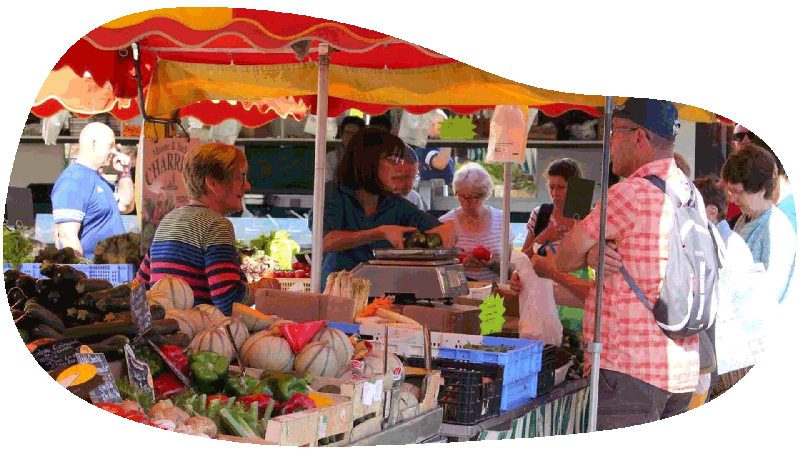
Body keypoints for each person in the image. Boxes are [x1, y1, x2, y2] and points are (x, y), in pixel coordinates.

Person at [515, 98, 699, 431]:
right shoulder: (690, 192)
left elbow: (566, 259)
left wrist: (588, 254)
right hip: (681, 366)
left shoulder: (628, 193)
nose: (610, 142)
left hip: (630, 371)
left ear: (638, 136)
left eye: (614, 132)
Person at [135, 143, 276, 316]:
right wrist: (264, 288)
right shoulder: (216, 225)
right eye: (240, 177)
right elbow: (228, 300)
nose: (247, 186)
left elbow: (139, 286)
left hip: (167, 332)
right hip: (198, 335)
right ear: (212, 182)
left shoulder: (168, 221)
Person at [312, 128, 455, 290]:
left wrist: (448, 229)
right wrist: (380, 232)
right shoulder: (333, 193)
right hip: (335, 293)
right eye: (399, 178)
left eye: (411, 178)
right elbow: (324, 242)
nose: (407, 186)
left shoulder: (395, 203)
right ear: (370, 166)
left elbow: (436, 227)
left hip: (382, 293)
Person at [720, 143, 795, 313]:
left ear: (760, 189)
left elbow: (770, 294)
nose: (732, 199)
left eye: (737, 192)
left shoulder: (776, 229)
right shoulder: (744, 219)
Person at [52, 122, 134, 260]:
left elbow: (125, 205)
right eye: (110, 146)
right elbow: (67, 238)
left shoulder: (98, 179)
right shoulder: (73, 180)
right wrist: (84, 276)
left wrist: (125, 173)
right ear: (93, 144)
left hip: (113, 271)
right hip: (95, 273)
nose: (114, 152)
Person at [438, 163, 511, 281]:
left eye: (473, 197)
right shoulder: (445, 222)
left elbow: (511, 270)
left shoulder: (501, 219)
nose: (467, 202)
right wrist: (459, 262)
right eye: (462, 196)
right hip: (460, 294)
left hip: (495, 294)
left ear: (485, 194)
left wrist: (491, 263)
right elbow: (439, 270)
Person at [521, 158, 582, 259]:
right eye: (551, 187)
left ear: (575, 187)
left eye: (561, 187)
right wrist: (542, 238)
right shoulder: (540, 213)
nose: (555, 193)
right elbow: (522, 259)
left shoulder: (588, 216)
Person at [412, 110, 455, 188]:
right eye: (441, 124)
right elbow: (440, 163)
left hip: (444, 193)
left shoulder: (438, 145)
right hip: (434, 194)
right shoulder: (423, 147)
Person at [327, 116, 366, 183]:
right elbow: (327, 184)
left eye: (355, 134)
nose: (351, 137)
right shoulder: (331, 157)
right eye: (347, 133)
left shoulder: (370, 158)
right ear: (341, 135)